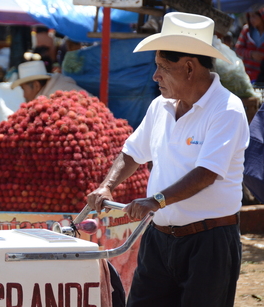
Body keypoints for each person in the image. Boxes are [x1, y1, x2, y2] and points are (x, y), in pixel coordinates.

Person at [87, 12, 249, 307]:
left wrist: (155, 200)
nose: (155, 76)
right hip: (159, 240)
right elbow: (133, 152)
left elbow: (206, 173)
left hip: (209, 243)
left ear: (189, 67)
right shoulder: (160, 106)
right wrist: (107, 186)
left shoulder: (227, 109)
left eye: (163, 67)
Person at [10, 60, 88, 102]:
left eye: (24, 89)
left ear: (36, 85)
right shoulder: (54, 86)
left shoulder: (54, 98)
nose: (24, 95)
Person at [235, 5, 264, 82]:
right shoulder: (246, 30)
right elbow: (238, 49)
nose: (251, 19)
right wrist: (251, 54)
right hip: (248, 74)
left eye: (254, 16)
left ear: (261, 16)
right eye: (250, 16)